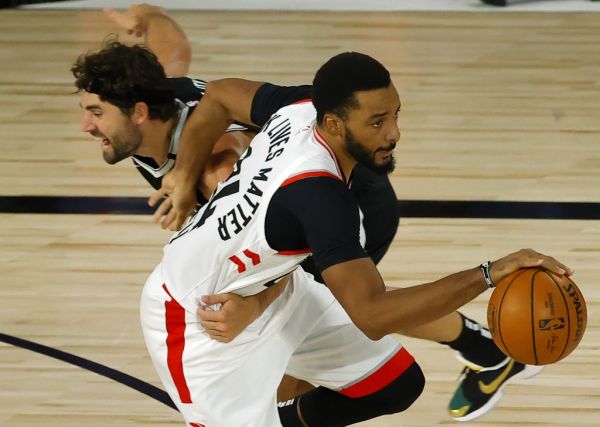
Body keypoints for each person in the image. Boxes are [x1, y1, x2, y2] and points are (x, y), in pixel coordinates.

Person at [72, 5, 559, 423]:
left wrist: (488, 274)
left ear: (139, 111)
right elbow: (207, 85)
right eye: (379, 121)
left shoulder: (230, 168)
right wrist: (150, 17)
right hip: (204, 300)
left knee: (353, 315)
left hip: (314, 220)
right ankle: (484, 350)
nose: (395, 134)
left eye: (395, 116)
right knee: (351, 338)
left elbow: (332, 286)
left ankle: (483, 349)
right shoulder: (292, 107)